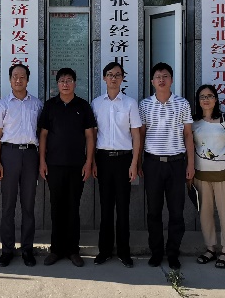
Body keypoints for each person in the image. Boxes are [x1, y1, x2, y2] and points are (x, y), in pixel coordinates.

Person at [138, 62, 195, 271]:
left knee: (176, 211)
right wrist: (138, 163)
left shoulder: (182, 104)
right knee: (153, 211)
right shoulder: (145, 105)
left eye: (165, 76)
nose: (161, 80)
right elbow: (141, 135)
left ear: (171, 80)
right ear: (152, 81)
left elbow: (188, 135)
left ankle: (173, 253)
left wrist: (191, 164)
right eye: (158, 77)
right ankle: (156, 252)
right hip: (153, 163)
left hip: (176, 164)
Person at [38, 67, 96, 267]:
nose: (65, 84)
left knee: (73, 207)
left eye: (69, 80)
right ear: (57, 84)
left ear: (75, 83)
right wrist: (42, 161)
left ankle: (73, 250)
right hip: (54, 165)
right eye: (62, 80)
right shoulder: (50, 106)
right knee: (56, 207)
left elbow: (90, 136)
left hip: (77, 165)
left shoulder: (83, 106)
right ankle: (56, 250)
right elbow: (43, 135)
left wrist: (89, 162)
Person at [0, 64, 44, 267]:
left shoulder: (37, 104)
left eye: (22, 76)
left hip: (30, 155)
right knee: (8, 205)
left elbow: (42, 133)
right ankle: (7, 250)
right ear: (10, 79)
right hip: (9, 154)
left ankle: (27, 250)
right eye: (15, 76)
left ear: (28, 80)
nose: (18, 80)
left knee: (28, 205)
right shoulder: (2, 105)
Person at [91, 62, 142, 268]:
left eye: (117, 75)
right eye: (110, 75)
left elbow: (136, 135)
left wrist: (134, 163)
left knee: (123, 207)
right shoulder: (96, 103)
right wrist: (93, 161)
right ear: (104, 78)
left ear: (122, 78)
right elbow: (93, 135)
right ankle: (104, 251)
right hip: (103, 159)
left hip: (124, 160)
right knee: (105, 207)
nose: (113, 78)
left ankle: (123, 252)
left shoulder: (130, 103)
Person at [191, 84, 225, 270]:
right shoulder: (193, 122)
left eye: (210, 96)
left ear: (216, 99)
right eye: (202, 96)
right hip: (201, 175)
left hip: (224, 175)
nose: (206, 99)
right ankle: (210, 248)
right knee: (205, 214)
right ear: (198, 101)